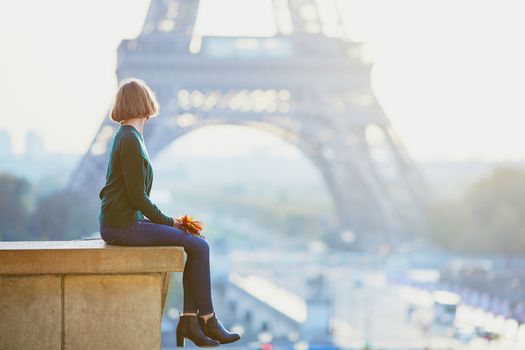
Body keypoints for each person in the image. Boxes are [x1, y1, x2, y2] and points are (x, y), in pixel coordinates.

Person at [98, 78, 240, 348]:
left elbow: (134, 196)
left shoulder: (128, 136)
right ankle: (205, 319)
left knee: (196, 246)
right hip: (123, 225)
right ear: (144, 104)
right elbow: (137, 197)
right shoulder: (129, 139)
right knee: (200, 246)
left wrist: (170, 223)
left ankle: (190, 321)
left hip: (124, 221)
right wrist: (170, 222)